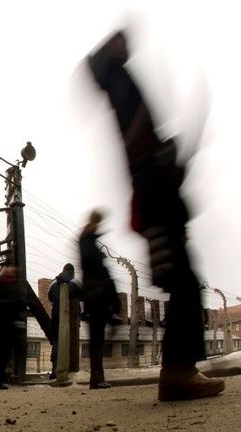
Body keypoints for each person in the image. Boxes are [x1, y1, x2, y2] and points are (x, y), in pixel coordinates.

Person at [86, 31, 224, 401]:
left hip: (161, 204)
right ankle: (178, 372)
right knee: (182, 283)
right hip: (157, 205)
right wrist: (111, 66)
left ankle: (180, 369)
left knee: (185, 283)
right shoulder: (134, 121)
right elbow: (132, 121)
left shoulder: (144, 137)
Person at [78, 210, 120, 390]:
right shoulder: (87, 240)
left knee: (97, 338)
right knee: (97, 339)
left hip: (97, 295)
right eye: (98, 222)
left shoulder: (88, 240)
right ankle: (96, 378)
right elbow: (88, 261)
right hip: (97, 295)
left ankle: (97, 378)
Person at [0, 263, 27, 390]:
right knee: (2, 353)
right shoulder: (14, 287)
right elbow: (21, 303)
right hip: (5, 324)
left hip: (4, 324)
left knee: (2, 354)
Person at [47, 263, 82, 380]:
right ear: (72, 272)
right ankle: (70, 369)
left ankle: (55, 369)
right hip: (71, 317)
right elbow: (82, 296)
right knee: (71, 341)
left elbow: (49, 297)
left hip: (56, 314)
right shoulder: (76, 282)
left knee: (56, 341)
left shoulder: (53, 283)